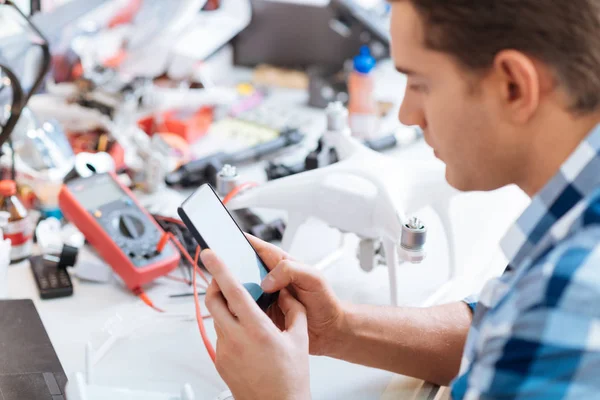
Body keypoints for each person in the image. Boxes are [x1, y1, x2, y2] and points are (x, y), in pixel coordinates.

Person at [200, 0, 600, 398]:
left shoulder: (569, 298)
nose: (407, 114)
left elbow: (533, 334)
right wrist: (337, 329)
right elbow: (502, 331)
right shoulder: (574, 212)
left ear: (513, 86)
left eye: (421, 83)